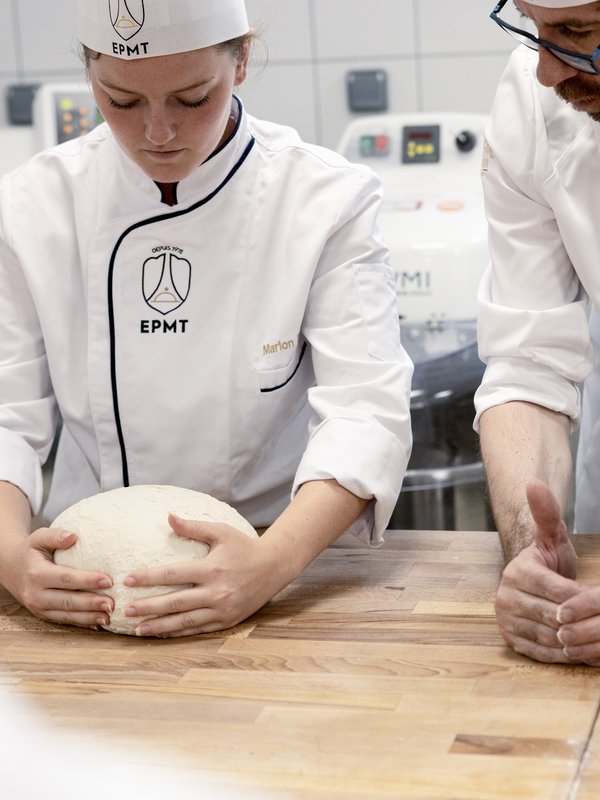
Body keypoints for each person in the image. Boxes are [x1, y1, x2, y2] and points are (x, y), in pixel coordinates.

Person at [0, 0, 412, 638]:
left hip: (276, 558)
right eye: (121, 100)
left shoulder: (323, 199)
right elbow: (6, 414)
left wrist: (271, 563)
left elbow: (366, 412)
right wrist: (9, 557)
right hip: (84, 569)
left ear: (242, 59)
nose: (157, 131)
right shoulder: (34, 205)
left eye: (192, 98)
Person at [476, 0, 600, 665]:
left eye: (578, 33)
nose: (548, 70)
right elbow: (528, 365)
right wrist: (531, 548)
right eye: (534, 28)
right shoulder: (533, 98)